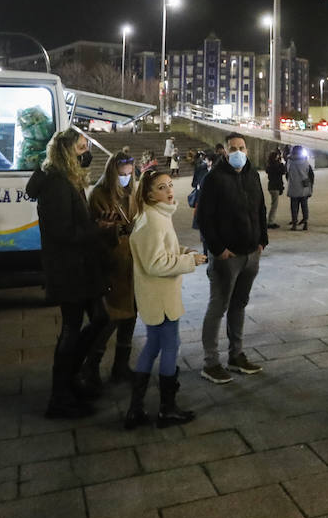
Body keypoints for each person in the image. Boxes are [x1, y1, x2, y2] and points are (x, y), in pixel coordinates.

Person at [28, 128, 116, 417]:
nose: (85, 154)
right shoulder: (55, 183)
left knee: (101, 319)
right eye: (80, 149)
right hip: (69, 269)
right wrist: (98, 228)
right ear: (66, 152)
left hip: (82, 266)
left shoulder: (68, 179)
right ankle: (60, 395)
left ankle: (71, 379)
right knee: (71, 328)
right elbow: (63, 232)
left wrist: (96, 222)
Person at [125, 169, 208, 429]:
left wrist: (185, 251)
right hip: (159, 297)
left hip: (156, 295)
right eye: (161, 187)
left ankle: (136, 409)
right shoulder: (153, 220)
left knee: (153, 346)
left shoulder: (157, 215)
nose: (169, 190)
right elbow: (155, 264)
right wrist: (188, 261)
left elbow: (163, 251)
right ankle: (166, 409)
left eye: (170, 185)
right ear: (149, 193)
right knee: (170, 346)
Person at [196, 132, 268, 384]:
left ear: (247, 150)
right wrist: (218, 249)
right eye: (233, 148)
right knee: (218, 306)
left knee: (239, 305)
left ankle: (236, 355)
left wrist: (262, 240)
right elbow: (204, 218)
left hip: (251, 253)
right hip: (227, 256)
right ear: (225, 151)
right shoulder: (213, 178)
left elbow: (260, 208)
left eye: (242, 147)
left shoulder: (252, 174)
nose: (238, 152)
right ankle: (211, 362)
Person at [82, 152, 139, 393]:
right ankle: (91, 367)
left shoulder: (133, 193)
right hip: (111, 264)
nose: (126, 177)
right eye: (122, 173)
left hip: (132, 264)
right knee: (110, 318)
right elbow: (94, 231)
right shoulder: (99, 194)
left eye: (129, 173)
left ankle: (121, 366)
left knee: (131, 315)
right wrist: (113, 229)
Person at [285, 144, 313, 231]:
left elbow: (287, 173)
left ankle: (294, 224)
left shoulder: (289, 161)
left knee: (294, 207)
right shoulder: (305, 161)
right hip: (304, 186)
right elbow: (310, 173)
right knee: (304, 206)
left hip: (293, 186)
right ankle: (305, 223)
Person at [264, 149, 286, 230]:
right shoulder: (277, 166)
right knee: (274, 205)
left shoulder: (270, 165)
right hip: (275, 187)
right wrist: (281, 163)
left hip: (271, 187)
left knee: (274, 204)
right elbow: (283, 171)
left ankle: (270, 220)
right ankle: (270, 222)